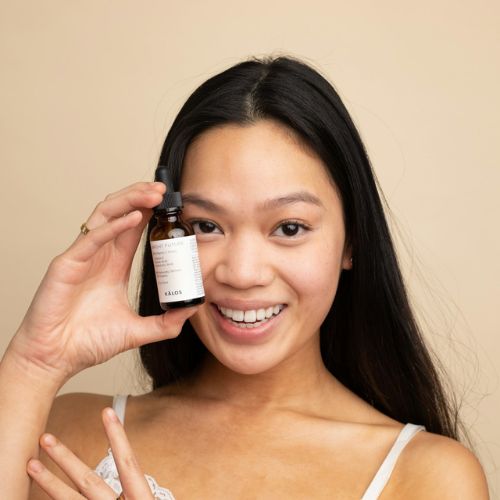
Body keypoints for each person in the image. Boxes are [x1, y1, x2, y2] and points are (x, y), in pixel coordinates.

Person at [0, 56, 489, 499]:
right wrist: (35, 363)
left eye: (289, 228)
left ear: (352, 242)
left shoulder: (428, 478)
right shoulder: (72, 434)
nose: (242, 273)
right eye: (206, 226)